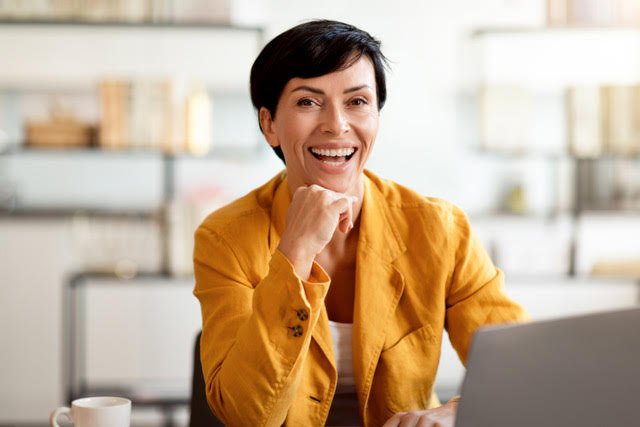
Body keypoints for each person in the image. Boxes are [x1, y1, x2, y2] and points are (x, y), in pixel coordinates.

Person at [193, 19, 528, 427]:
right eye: (307, 102)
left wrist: (451, 415)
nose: (336, 125)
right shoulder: (225, 237)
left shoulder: (442, 230)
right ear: (269, 125)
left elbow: (521, 372)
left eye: (357, 102)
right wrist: (294, 254)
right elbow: (246, 415)